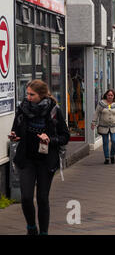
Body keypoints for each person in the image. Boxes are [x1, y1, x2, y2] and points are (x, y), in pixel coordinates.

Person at [9, 80, 70, 235]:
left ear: (41, 95)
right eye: (27, 93)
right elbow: (15, 129)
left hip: (46, 160)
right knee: (27, 198)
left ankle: (44, 232)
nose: (28, 97)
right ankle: (31, 227)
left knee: (42, 199)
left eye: (32, 94)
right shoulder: (22, 109)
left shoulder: (54, 110)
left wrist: (50, 139)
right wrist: (14, 136)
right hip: (26, 159)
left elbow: (65, 136)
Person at [91, 89, 115, 165]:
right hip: (103, 126)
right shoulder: (101, 103)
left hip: (114, 126)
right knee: (105, 142)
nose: (110, 96)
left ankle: (112, 155)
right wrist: (93, 123)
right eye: (109, 95)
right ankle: (106, 158)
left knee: (114, 141)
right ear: (106, 95)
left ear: (114, 96)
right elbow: (96, 113)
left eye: (111, 95)